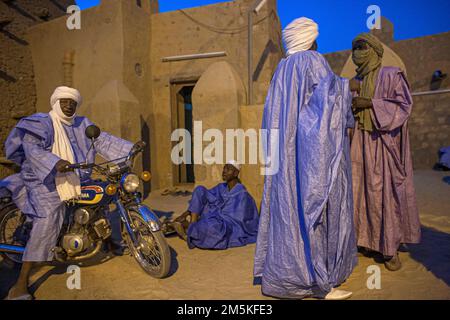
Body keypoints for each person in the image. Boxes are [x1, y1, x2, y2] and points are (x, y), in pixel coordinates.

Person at [253, 17, 357, 300]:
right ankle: (317, 283)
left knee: (289, 210)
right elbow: (328, 101)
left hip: (284, 159)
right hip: (308, 156)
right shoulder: (312, 62)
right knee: (314, 209)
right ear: (310, 39)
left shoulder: (281, 69)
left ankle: (285, 277)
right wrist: (350, 88)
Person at [2, 86, 134, 299]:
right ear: (55, 102)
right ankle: (20, 284)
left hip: (76, 176)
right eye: (64, 101)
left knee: (103, 195)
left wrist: (130, 150)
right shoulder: (42, 122)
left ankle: (105, 240)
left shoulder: (82, 124)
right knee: (48, 221)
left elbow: (102, 140)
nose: (69, 105)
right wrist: (55, 162)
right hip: (44, 180)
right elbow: (32, 148)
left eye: (72, 102)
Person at [349, 33, 421, 271]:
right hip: (360, 143)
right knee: (362, 193)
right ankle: (367, 241)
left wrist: (370, 103)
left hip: (384, 144)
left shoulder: (391, 75)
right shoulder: (354, 81)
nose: (357, 52)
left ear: (374, 49)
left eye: (362, 47)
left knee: (386, 194)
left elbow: (404, 106)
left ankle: (389, 249)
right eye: (354, 48)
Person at [169, 161, 259, 250]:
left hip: (228, 225)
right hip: (213, 216)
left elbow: (236, 220)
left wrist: (214, 214)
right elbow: (203, 196)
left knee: (215, 228)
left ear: (236, 173)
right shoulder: (221, 187)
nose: (224, 171)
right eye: (224, 168)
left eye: (228, 169)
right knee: (199, 189)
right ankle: (193, 225)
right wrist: (185, 214)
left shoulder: (242, 195)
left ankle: (188, 228)